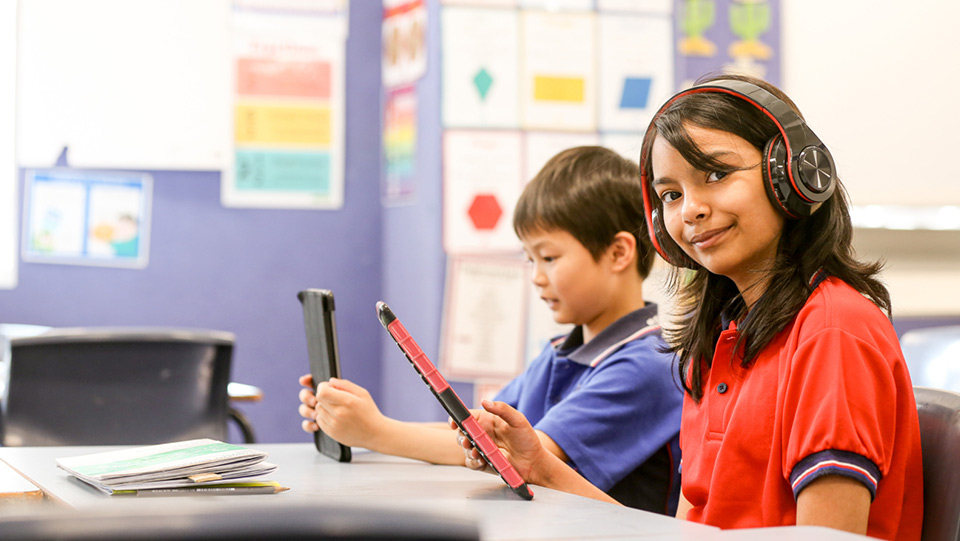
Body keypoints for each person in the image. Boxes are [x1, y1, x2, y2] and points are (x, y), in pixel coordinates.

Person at [461, 74, 923, 539]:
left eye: (717, 174)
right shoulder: (716, 342)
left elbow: (827, 537)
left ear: (794, 175)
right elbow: (686, 533)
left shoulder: (832, 330)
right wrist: (539, 467)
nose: (689, 211)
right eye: (670, 195)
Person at [299, 145, 684, 514]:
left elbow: (525, 455)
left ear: (619, 253)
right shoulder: (559, 351)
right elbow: (478, 434)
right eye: (529, 259)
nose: (536, 277)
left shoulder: (647, 365)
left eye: (548, 257)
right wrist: (357, 419)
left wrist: (376, 432)